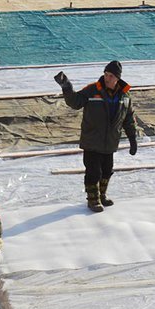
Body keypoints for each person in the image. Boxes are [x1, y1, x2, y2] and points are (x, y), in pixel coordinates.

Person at [55, 60, 138, 212]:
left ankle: (101, 195)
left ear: (117, 78)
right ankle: (93, 200)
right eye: (105, 74)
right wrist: (66, 87)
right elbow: (75, 102)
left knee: (107, 170)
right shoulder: (93, 90)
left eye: (111, 75)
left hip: (110, 142)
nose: (107, 78)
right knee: (94, 172)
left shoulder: (125, 96)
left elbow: (128, 118)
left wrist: (132, 139)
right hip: (92, 140)